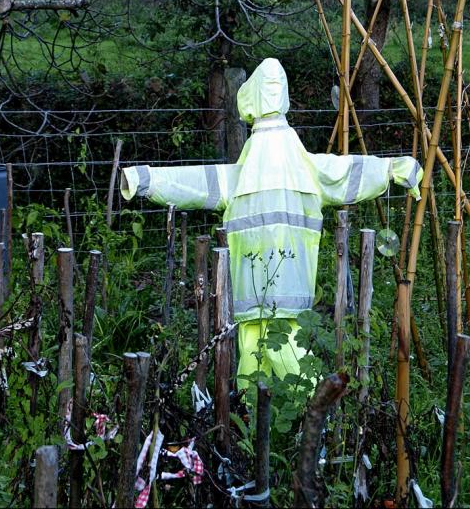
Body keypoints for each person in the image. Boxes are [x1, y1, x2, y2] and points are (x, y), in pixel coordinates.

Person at [120, 58, 422, 390]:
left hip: (250, 283)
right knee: (286, 351)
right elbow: (346, 172)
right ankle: (305, 420)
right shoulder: (305, 165)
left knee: (254, 354)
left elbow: (197, 181)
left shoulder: (245, 169)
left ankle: (269, 421)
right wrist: (393, 168)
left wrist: (146, 179)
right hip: (294, 280)